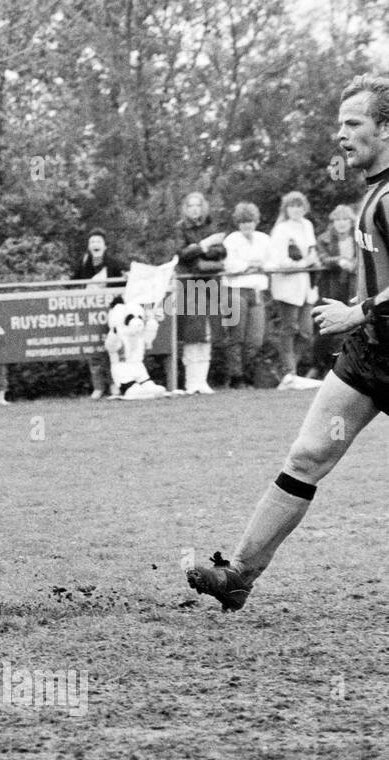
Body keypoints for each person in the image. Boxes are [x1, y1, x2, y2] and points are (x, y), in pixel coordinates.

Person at [188, 75, 389, 612]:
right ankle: (238, 574)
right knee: (307, 455)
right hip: (371, 356)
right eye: (339, 124)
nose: (341, 135)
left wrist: (358, 310)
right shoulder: (372, 189)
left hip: (374, 333)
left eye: (354, 124)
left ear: (386, 128)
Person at [267, 191, 323, 390]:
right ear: (286, 208)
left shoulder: (307, 225)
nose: (296, 210)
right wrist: (303, 264)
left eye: (299, 205)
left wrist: (313, 260)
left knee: (307, 332)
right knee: (289, 328)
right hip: (288, 286)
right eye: (292, 206)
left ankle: (289, 371)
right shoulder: (281, 229)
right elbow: (279, 260)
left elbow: (312, 249)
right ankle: (289, 373)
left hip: (307, 286)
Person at [174, 192, 225, 395]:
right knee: (192, 333)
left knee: (207, 332)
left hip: (210, 282)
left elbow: (220, 252)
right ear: (185, 209)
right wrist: (205, 245)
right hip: (189, 283)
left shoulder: (211, 226)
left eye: (198, 205)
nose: (195, 209)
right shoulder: (180, 228)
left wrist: (200, 250)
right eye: (190, 206)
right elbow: (183, 254)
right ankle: (191, 381)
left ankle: (202, 380)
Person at [70, 229, 129, 398]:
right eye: (92, 242)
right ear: (89, 246)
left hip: (110, 313)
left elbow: (127, 275)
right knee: (94, 351)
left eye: (98, 242)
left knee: (112, 349)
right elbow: (72, 283)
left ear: (105, 246)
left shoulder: (114, 263)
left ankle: (114, 385)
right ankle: (98, 387)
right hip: (90, 313)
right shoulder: (83, 263)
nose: (95, 245)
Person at [219, 202, 271, 389]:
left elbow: (271, 261)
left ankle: (248, 373)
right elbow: (230, 265)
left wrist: (256, 265)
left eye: (249, 221)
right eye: (242, 222)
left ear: (255, 221)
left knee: (255, 338)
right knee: (236, 336)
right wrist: (251, 265)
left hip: (256, 290)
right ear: (237, 223)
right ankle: (236, 376)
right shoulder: (231, 240)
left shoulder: (264, 239)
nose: (246, 226)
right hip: (235, 289)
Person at [312, 204, 358, 377]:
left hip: (353, 286)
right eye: (338, 219)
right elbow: (323, 259)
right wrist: (339, 260)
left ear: (351, 221)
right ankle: (319, 366)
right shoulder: (324, 238)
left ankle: (343, 368)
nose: (341, 223)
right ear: (333, 221)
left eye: (345, 219)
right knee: (325, 328)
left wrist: (353, 264)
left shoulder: (358, 237)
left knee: (350, 328)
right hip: (330, 287)